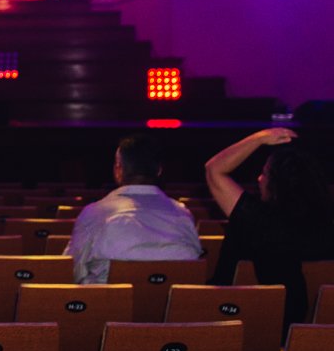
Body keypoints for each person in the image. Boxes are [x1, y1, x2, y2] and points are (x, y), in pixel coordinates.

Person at [206, 127, 334, 329]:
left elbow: (214, 169)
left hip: (255, 326)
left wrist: (259, 138)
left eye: (265, 173)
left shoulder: (258, 219)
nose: (259, 179)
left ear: (278, 183)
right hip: (321, 337)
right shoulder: (327, 223)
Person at [65, 134, 201, 284]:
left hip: (108, 304)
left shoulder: (95, 213)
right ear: (159, 170)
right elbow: (195, 264)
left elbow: (71, 271)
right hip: (175, 305)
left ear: (118, 170)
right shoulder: (182, 213)